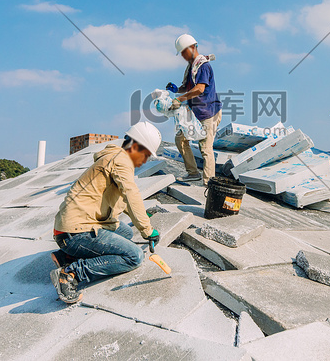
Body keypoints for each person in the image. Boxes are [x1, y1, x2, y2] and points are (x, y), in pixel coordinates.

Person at [49, 121, 162, 304]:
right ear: (136, 147)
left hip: (73, 226)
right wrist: (147, 230)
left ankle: (67, 256)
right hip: (75, 231)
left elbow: (124, 202)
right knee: (134, 256)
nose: (145, 161)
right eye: (146, 155)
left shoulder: (115, 157)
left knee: (125, 232)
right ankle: (71, 274)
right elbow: (131, 194)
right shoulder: (121, 161)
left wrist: (142, 223)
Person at [166, 33, 223, 186]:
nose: (183, 55)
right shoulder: (192, 66)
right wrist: (178, 89)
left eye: (184, 51)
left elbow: (199, 89)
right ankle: (193, 173)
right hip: (195, 113)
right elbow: (189, 87)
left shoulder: (203, 66)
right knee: (180, 139)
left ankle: (209, 183)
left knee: (205, 148)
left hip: (208, 112)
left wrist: (180, 99)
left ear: (192, 47)